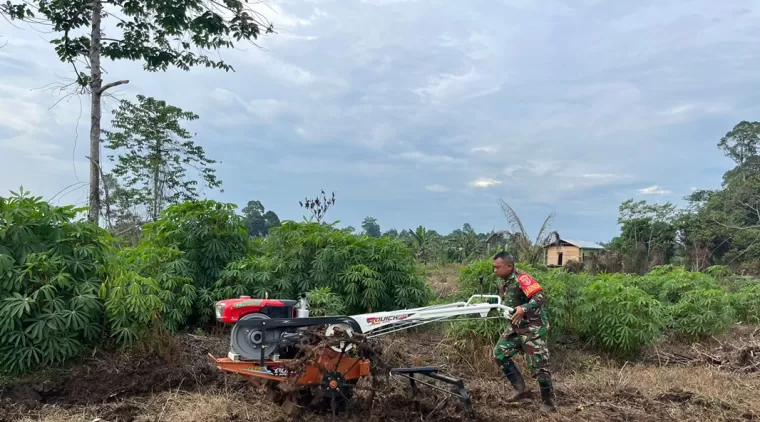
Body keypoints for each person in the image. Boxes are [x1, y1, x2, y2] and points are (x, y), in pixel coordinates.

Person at [491, 251, 556, 412]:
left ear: (509, 266)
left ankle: (549, 403)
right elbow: (502, 300)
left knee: (539, 367)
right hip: (516, 328)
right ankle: (521, 389)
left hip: (533, 328)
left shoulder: (523, 278)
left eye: (497, 267)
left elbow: (540, 297)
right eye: (494, 268)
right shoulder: (503, 281)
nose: (495, 271)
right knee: (499, 353)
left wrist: (523, 308)